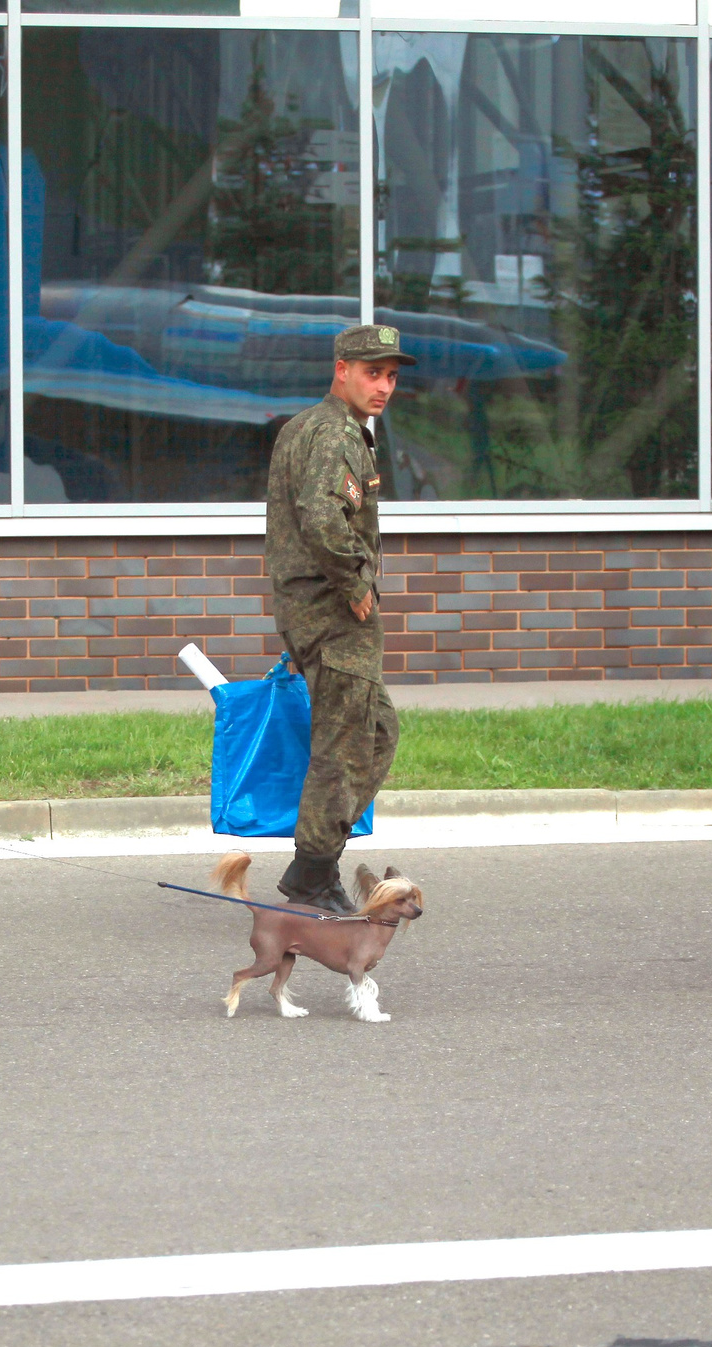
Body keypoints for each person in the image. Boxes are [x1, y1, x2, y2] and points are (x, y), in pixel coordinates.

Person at [264, 323, 412, 916]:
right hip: (332, 610)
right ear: (342, 369)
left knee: (373, 732)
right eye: (373, 373)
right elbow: (323, 517)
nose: (384, 387)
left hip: (314, 610)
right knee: (347, 743)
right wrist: (356, 585)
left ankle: (314, 864)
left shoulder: (314, 426)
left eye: (392, 376)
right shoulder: (333, 433)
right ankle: (313, 873)